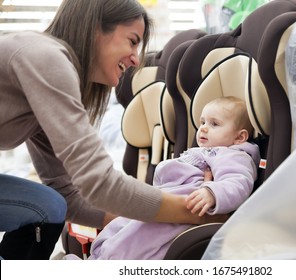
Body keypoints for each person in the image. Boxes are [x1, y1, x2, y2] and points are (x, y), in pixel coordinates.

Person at [0, 0, 218, 260]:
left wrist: (138, 223)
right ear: (95, 29)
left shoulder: (45, 68)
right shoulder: (46, 58)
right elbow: (99, 182)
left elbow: (68, 193)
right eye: (132, 41)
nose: (137, 59)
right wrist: (193, 212)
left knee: (49, 205)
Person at [64, 96, 260, 260]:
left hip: (187, 210)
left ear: (240, 137)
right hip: (168, 199)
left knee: (139, 236)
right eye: (202, 122)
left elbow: (238, 182)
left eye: (214, 124)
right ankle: (98, 259)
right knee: (124, 225)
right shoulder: (203, 152)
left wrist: (212, 192)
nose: (203, 128)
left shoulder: (233, 154)